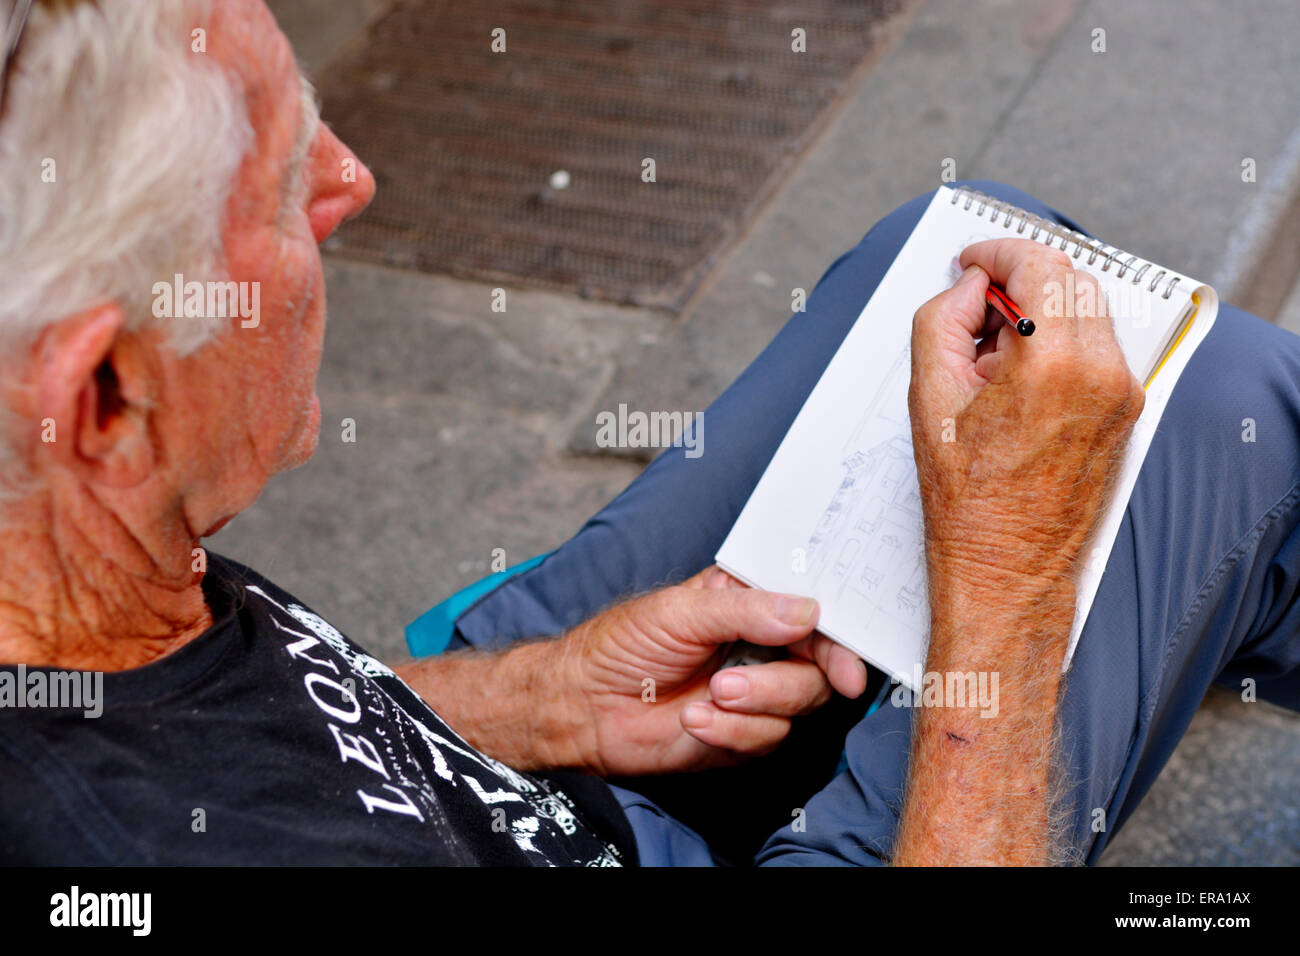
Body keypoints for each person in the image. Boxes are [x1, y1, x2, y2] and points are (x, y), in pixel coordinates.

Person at [1, 0, 1297, 866]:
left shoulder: (85, 568)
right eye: (285, 182)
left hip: (508, 762)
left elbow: (232, 732)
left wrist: (538, 695)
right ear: (105, 399)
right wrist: (1008, 593)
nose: (353, 181)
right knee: (1221, 412)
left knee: (959, 256)